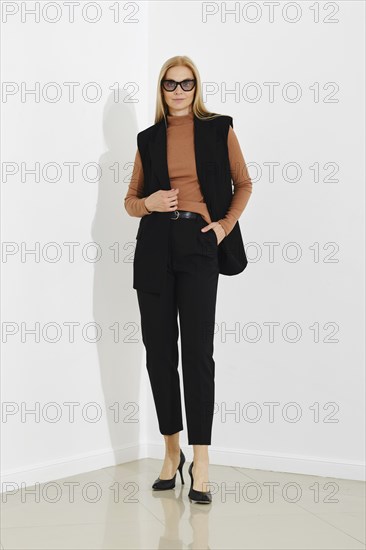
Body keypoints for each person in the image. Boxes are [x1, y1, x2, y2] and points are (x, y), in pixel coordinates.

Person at [124, 55, 253, 503]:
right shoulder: (147, 138)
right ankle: (171, 451)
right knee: (159, 353)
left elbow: (244, 184)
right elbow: (130, 201)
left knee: (198, 353)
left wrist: (221, 227)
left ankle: (201, 459)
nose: (178, 91)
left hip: (199, 245)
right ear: (160, 90)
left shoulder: (219, 129)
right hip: (154, 247)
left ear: (197, 88)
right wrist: (151, 202)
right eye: (170, 84)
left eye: (187, 83)